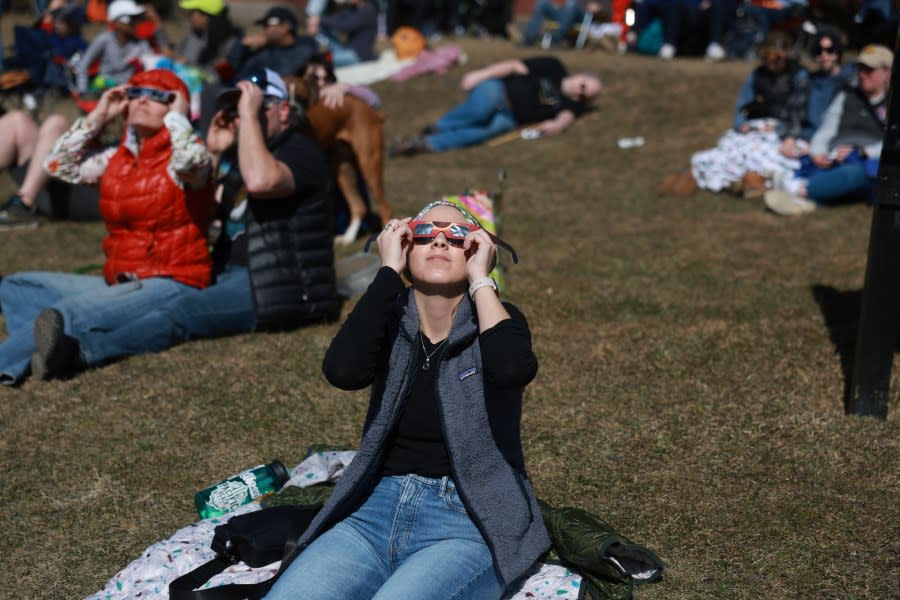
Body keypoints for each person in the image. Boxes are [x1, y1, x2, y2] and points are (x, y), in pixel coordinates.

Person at [263, 199, 549, 599]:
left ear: (477, 248)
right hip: (374, 510)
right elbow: (342, 372)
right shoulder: (386, 316)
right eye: (425, 233)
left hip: (467, 521)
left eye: (457, 236)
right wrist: (386, 273)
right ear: (404, 244)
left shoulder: (498, 319)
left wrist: (483, 279)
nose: (441, 242)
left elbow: (512, 370)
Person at [26, 68, 341, 380]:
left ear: (283, 110)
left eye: (254, 109)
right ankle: (51, 344)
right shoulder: (245, 156)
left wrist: (246, 116)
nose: (240, 118)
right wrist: (216, 153)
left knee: (179, 311)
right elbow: (209, 214)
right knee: (165, 302)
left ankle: (81, 351)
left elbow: (260, 181)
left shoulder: (301, 152)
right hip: (231, 272)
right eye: (234, 109)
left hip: (281, 285)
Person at [0, 69, 214, 384]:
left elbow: (191, 163)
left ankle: (13, 356)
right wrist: (98, 116)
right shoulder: (119, 156)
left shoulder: (185, 156)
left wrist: (178, 118)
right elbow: (58, 165)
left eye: (158, 95)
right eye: (136, 92)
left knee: (68, 312)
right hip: (120, 279)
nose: (143, 99)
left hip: (171, 280)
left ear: (176, 107)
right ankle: (43, 352)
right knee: (18, 286)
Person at [764, 45, 892, 216]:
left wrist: (863, 152)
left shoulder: (893, 104)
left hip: (865, 162)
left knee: (859, 174)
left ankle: (797, 190)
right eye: (860, 69)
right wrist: (819, 153)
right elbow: (826, 129)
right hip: (834, 157)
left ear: (887, 72)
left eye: (869, 70)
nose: (862, 74)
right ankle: (809, 200)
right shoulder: (847, 96)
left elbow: (893, 142)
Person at [390, 56, 602, 155]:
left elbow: (565, 117)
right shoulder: (554, 67)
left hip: (510, 118)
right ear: (580, 76)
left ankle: (424, 144)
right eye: (583, 86)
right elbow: (513, 66)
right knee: (481, 111)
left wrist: (556, 127)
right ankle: (439, 127)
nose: (579, 92)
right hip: (498, 91)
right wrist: (480, 74)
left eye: (585, 96)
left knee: (484, 132)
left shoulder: (572, 104)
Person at [685, 32, 809, 197]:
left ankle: (754, 180)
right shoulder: (757, 75)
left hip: (782, 130)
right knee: (730, 149)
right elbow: (743, 106)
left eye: (775, 57)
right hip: (755, 125)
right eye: (766, 57)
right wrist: (741, 123)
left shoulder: (799, 76)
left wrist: (780, 129)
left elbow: (797, 112)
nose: (770, 62)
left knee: (768, 155)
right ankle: (731, 179)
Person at [0, 110, 71, 230]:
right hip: (42, 172)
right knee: (17, 120)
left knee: (56, 123)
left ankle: (23, 205)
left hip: (71, 193)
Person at [74, 0, 153, 94]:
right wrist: (82, 91)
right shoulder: (104, 40)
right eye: (132, 19)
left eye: (136, 19)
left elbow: (151, 68)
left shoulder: (141, 44)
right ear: (118, 22)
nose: (136, 24)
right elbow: (83, 64)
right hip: (103, 89)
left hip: (129, 90)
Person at [225, 6, 318, 81]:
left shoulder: (306, 48)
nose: (264, 29)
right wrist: (243, 45)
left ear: (286, 26)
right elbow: (236, 68)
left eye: (268, 24)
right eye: (263, 25)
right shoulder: (264, 51)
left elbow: (287, 71)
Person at [171, 0, 243, 76]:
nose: (189, 17)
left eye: (192, 12)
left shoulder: (230, 43)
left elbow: (219, 75)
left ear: (206, 17)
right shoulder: (195, 35)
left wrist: (187, 64)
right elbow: (177, 52)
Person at [519, 0, 604, 48]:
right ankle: (529, 38)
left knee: (572, 4)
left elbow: (608, 7)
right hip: (563, 11)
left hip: (581, 15)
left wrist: (599, 6)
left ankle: (556, 38)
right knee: (542, 3)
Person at [317, 0, 378, 66]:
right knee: (320, 30)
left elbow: (347, 26)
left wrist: (320, 20)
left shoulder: (368, 10)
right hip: (347, 49)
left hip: (358, 55)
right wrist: (317, 21)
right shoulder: (350, 8)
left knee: (322, 59)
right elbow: (336, 18)